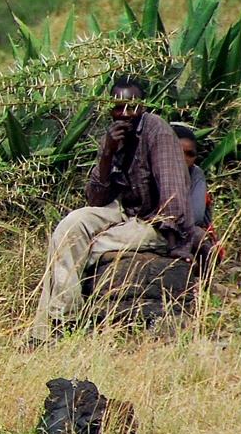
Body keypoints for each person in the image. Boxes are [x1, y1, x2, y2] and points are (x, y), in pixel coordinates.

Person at [30, 74, 196, 343]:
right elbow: (96, 198)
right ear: (109, 108)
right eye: (118, 107)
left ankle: (59, 325)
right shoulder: (114, 135)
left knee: (78, 248)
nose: (125, 113)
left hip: (153, 221)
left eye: (132, 106)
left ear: (142, 106)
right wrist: (107, 152)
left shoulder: (157, 131)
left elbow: (173, 195)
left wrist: (176, 245)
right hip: (124, 212)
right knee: (70, 227)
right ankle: (63, 318)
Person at [171, 122, 223, 262]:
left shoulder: (195, 174)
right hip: (167, 224)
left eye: (190, 154)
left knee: (200, 239)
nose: (184, 159)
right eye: (179, 152)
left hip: (187, 227)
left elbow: (197, 216)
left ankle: (205, 281)